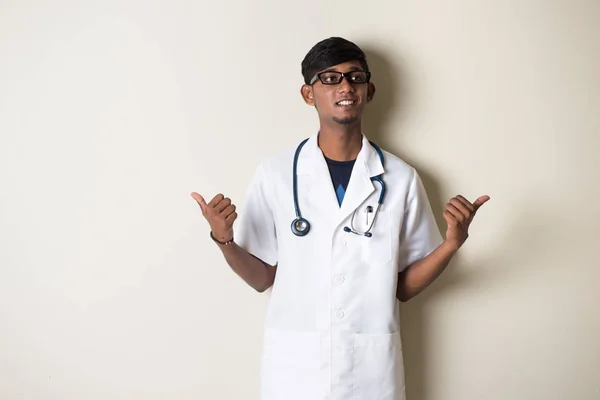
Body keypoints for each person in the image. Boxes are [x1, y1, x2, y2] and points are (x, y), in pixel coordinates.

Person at [191, 37, 489, 400]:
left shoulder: (400, 177)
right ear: (308, 94)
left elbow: (403, 288)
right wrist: (224, 240)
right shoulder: (276, 173)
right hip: (295, 369)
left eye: (355, 77)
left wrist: (452, 244)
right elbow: (262, 277)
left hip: (368, 370)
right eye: (329, 79)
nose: (345, 86)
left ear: (369, 90)